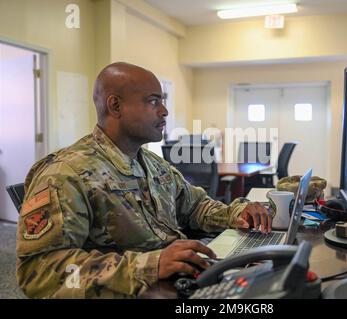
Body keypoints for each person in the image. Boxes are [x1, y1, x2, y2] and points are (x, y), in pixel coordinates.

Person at [16, 62, 272, 299]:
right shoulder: (65, 173)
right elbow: (38, 271)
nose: (164, 111)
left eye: (162, 100)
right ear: (115, 106)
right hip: (140, 289)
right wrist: (149, 265)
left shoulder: (151, 163)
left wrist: (238, 213)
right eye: (153, 101)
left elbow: (195, 206)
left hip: (178, 279)